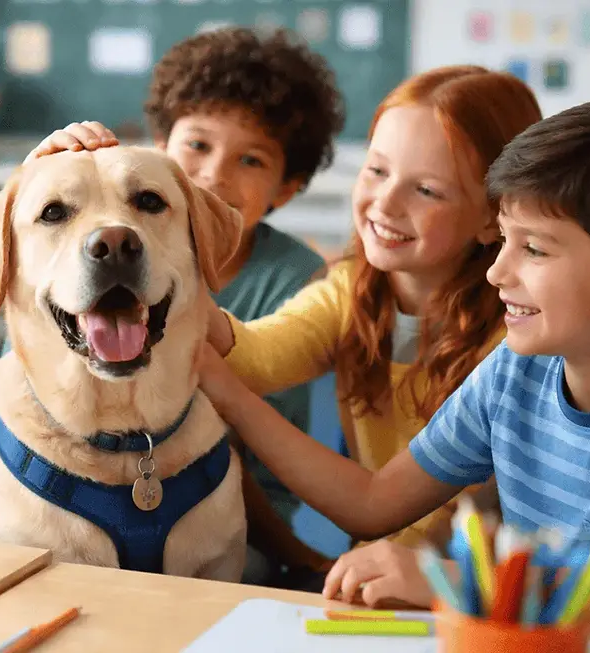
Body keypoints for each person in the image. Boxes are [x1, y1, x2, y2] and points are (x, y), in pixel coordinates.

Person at [198, 92, 590, 635]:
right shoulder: (514, 373)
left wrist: (442, 578)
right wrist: (226, 387)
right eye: (505, 239)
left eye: (536, 249)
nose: (498, 272)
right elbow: (375, 502)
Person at [22, 26, 346, 586]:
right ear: (160, 145)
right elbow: (29, 377)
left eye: (251, 160)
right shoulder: (101, 248)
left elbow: (245, 450)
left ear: (286, 189)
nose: (215, 174)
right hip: (87, 497)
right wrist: (38, 192)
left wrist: (297, 557)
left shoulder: (291, 278)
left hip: (235, 514)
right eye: (197, 145)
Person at [198, 65, 542, 573]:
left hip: (471, 587)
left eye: (427, 190)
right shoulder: (350, 291)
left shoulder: (516, 339)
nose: (385, 202)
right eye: (376, 171)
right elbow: (254, 354)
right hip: (380, 570)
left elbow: (438, 517)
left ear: (494, 218)